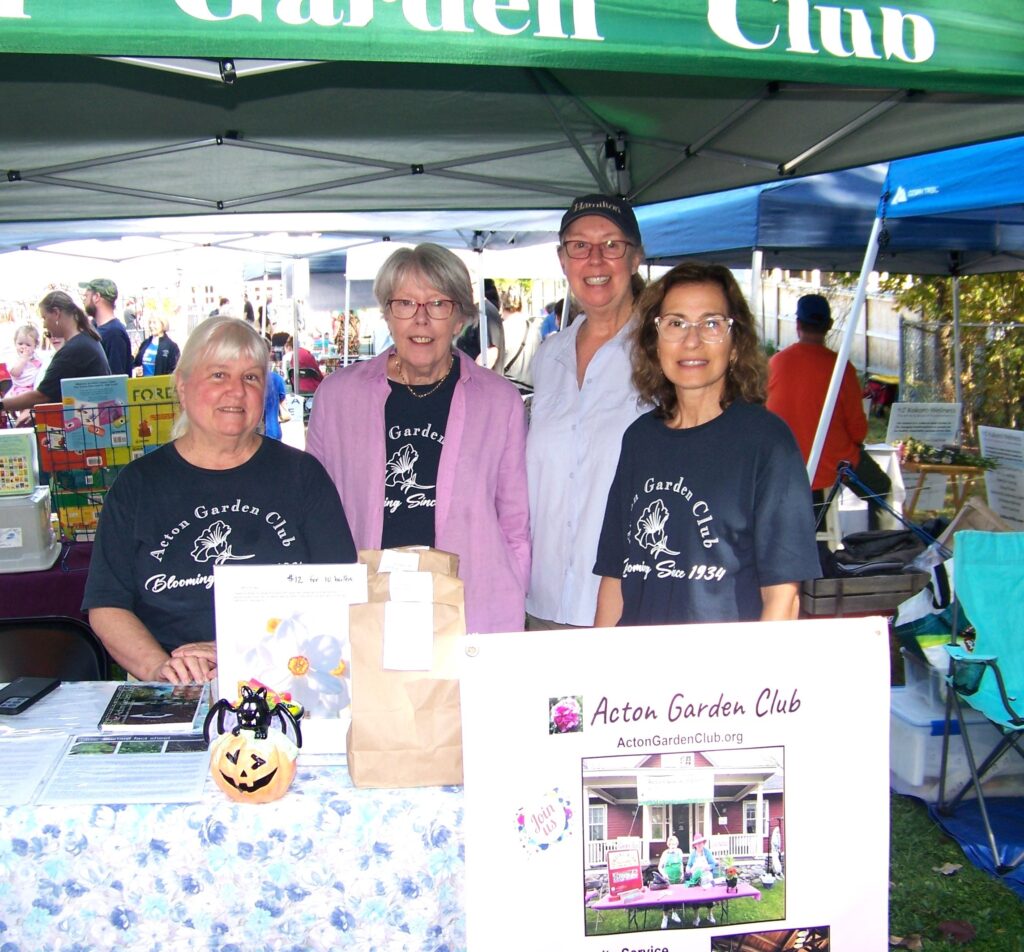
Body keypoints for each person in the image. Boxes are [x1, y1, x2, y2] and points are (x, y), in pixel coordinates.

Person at [82, 316, 357, 684]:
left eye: (251, 377)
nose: (236, 391)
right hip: (173, 685)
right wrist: (161, 668)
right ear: (182, 385)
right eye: (218, 375)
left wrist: (235, 649)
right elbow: (107, 604)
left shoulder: (303, 476)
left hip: (283, 680)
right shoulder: (138, 484)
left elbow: (338, 594)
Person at [307, 243, 530, 634]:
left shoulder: (499, 401)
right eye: (406, 303)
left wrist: (511, 593)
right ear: (387, 314)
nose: (421, 319)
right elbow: (314, 511)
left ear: (459, 318)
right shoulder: (338, 396)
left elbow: (514, 521)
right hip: (365, 607)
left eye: (439, 304)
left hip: (471, 607)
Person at [593, 262, 820, 628]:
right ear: (655, 343)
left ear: (735, 345)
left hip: (722, 678)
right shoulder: (639, 439)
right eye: (676, 323)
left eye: (712, 323)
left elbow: (783, 596)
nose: (692, 340)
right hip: (636, 673)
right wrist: (597, 674)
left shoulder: (767, 443)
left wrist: (756, 683)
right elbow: (615, 578)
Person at [525, 194, 649, 630]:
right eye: (579, 246)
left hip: (627, 607)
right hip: (541, 601)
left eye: (612, 245)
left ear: (635, 258)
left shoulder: (662, 354)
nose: (595, 259)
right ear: (563, 260)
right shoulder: (548, 356)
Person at [766, 293, 892, 530]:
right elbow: (858, 431)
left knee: (816, 505)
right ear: (829, 326)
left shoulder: (775, 363)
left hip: (783, 464)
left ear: (798, 325)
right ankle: (872, 550)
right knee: (880, 487)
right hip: (832, 463)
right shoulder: (841, 367)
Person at [0, 291, 110, 419]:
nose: (44, 325)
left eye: (44, 318)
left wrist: (3, 405)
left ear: (56, 313)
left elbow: (42, 395)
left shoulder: (75, 349)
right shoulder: (86, 340)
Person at [80, 278, 132, 376]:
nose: (84, 300)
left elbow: (116, 380)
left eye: (86, 296)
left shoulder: (114, 333)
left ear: (96, 297)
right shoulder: (95, 327)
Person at [499, 288, 541, 392]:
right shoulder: (534, 329)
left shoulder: (502, 329)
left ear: (502, 305)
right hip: (532, 391)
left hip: (508, 390)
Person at [684, 832, 717, 927]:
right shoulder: (693, 854)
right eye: (697, 843)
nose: (699, 845)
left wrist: (707, 867)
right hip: (696, 877)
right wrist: (688, 869)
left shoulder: (707, 852)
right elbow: (689, 865)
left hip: (706, 876)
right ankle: (696, 916)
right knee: (695, 897)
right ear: (694, 845)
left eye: (701, 843)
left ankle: (710, 914)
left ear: (703, 843)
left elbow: (713, 864)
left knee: (709, 896)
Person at [657, 834, 685, 929]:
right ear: (668, 844)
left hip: (677, 879)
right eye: (671, 844)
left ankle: (674, 913)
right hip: (668, 880)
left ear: (677, 844)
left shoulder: (679, 852)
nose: (673, 846)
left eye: (675, 844)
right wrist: (664, 875)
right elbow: (660, 867)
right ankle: (665, 918)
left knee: (676, 897)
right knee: (667, 899)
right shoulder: (665, 853)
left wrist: (682, 873)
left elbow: (681, 864)